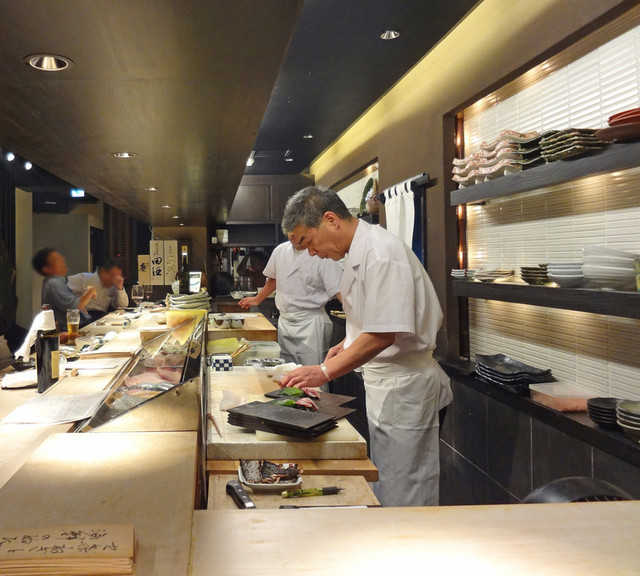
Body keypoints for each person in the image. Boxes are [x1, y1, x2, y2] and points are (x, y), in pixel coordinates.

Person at [279, 186, 453, 507]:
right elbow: (374, 318)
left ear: (331, 220)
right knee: (388, 477)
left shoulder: (381, 252)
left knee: (407, 487)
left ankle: (408, 538)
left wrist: (324, 371)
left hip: (406, 386)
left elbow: (384, 334)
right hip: (387, 384)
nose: (312, 253)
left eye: (309, 242)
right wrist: (346, 343)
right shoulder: (358, 253)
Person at [239, 240, 342, 366]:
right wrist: (257, 299)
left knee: (311, 370)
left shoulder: (322, 252)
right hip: (285, 322)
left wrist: (354, 316)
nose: (292, 235)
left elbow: (338, 289)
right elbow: (273, 278)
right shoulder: (280, 250)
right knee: (285, 370)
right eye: (289, 232)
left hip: (311, 323)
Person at [32, 248, 96, 329]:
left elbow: (69, 305)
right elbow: (75, 307)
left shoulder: (54, 282)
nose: (62, 260)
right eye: (56, 260)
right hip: (68, 331)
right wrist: (91, 291)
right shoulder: (54, 283)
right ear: (46, 269)